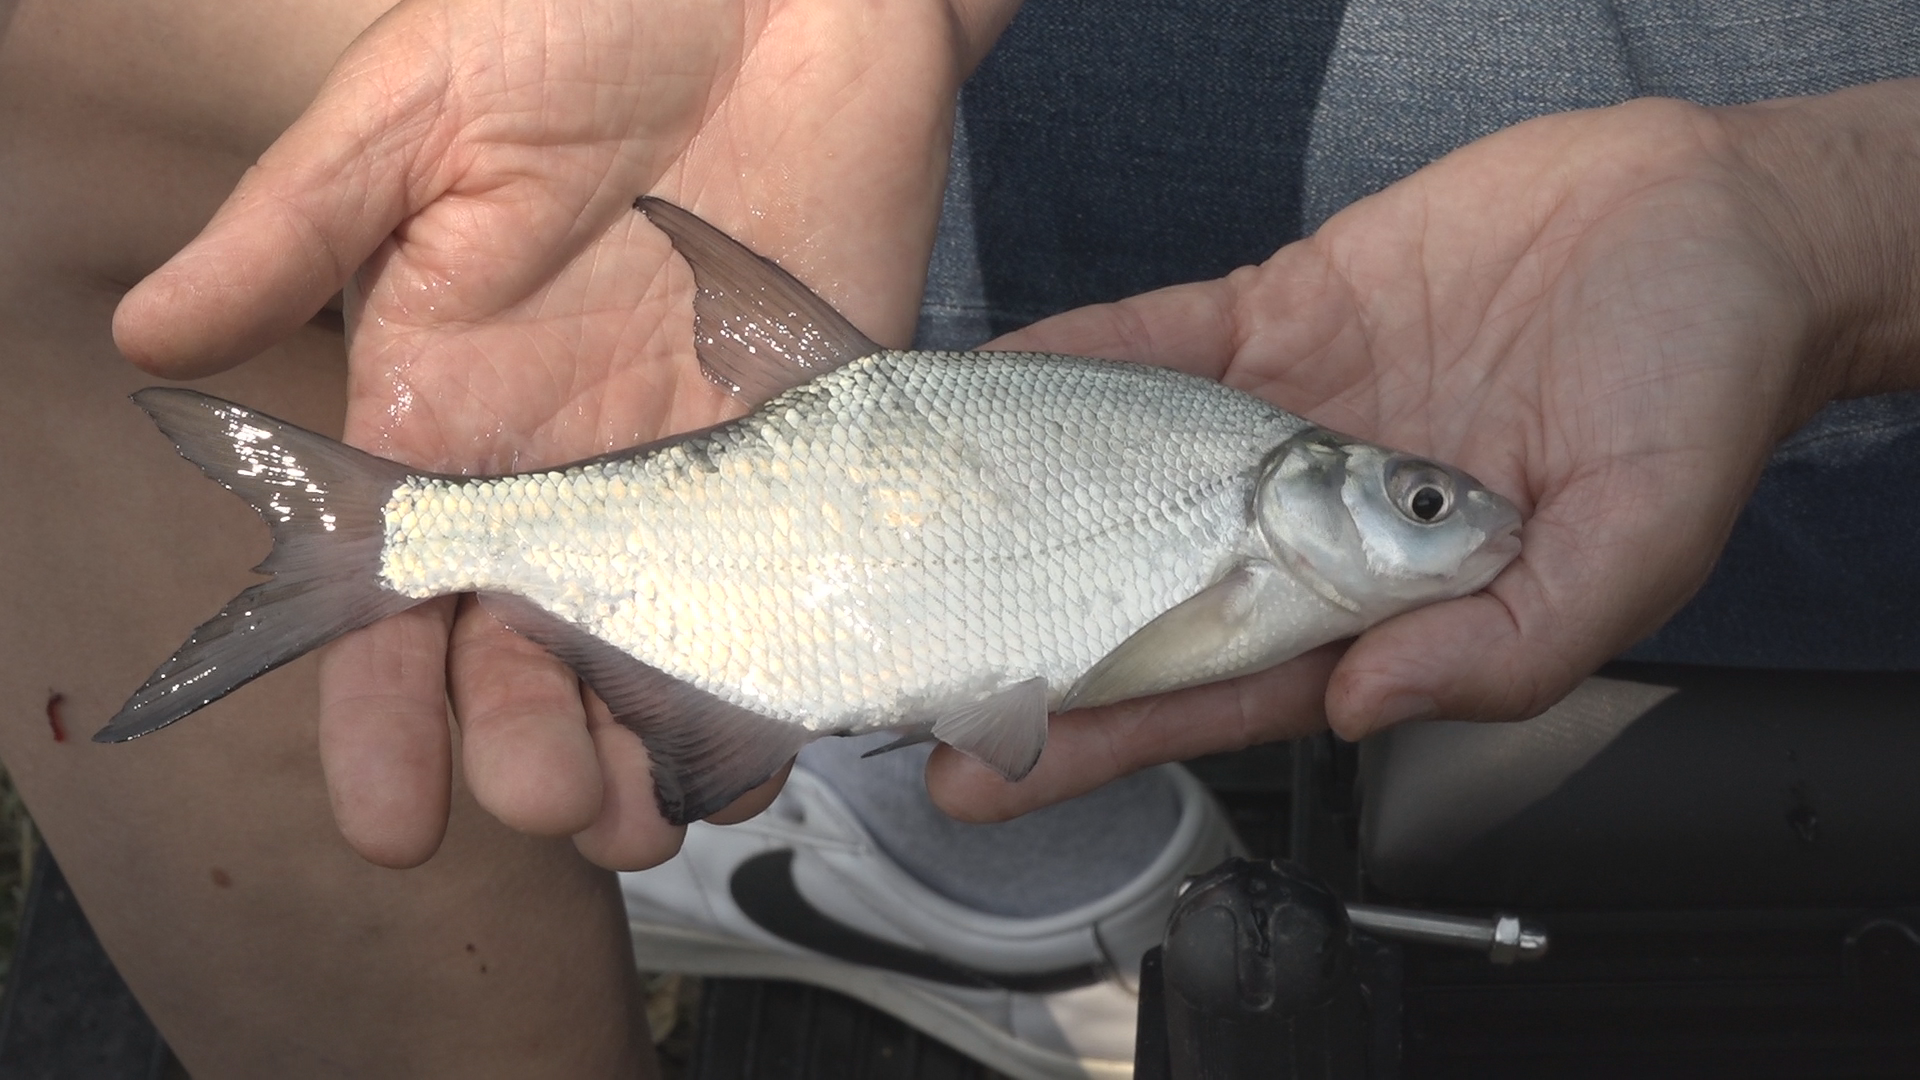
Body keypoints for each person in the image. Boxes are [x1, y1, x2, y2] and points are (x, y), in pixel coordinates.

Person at [3, 0, 1915, 1076]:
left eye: (1426, 500)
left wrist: (1825, 227)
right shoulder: (1258, 507)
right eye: (1418, 496)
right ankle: (863, 778)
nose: (1452, 516)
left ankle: (872, 786)